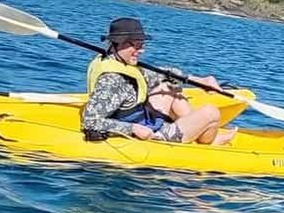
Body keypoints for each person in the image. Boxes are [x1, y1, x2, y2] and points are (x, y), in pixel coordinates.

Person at [82, 17, 236, 145]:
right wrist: (133, 129)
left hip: (140, 117)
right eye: (135, 46)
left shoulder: (122, 62)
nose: (141, 50)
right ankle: (206, 141)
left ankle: (198, 133)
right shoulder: (111, 80)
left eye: (141, 45)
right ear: (117, 45)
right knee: (211, 112)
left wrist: (200, 80)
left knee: (169, 89)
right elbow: (90, 121)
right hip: (148, 133)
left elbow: (163, 74)